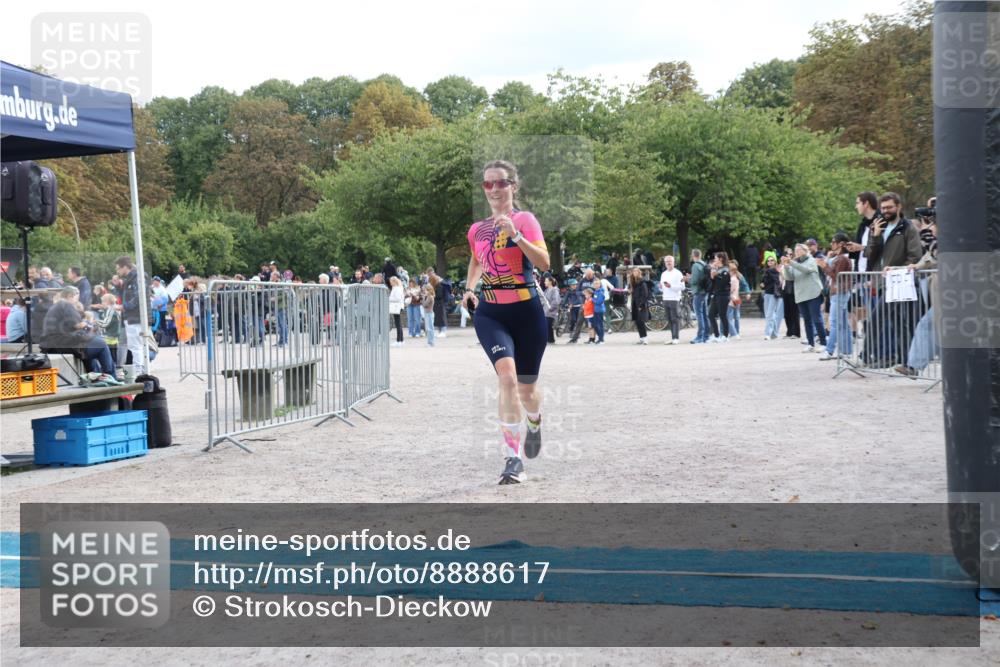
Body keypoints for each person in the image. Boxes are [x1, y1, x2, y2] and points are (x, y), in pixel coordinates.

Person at [463, 159, 549, 484]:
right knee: (508, 379)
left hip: (527, 314)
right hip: (491, 313)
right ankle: (513, 460)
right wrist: (470, 288)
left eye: (501, 183)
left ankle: (535, 420)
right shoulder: (477, 229)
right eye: (488, 184)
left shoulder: (525, 220)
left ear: (513, 186)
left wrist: (516, 237)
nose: (494, 190)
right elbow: (475, 259)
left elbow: (543, 261)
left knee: (527, 389)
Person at [41, 286, 116, 374]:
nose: (77, 300)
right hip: (64, 344)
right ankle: (110, 375)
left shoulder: (56, 306)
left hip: (54, 345)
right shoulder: (66, 305)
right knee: (101, 344)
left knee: (93, 346)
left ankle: (95, 376)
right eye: (77, 297)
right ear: (70, 295)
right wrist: (89, 323)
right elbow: (78, 325)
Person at [818, 233, 854, 360]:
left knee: (834, 323)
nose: (831, 244)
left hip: (840, 293)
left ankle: (829, 350)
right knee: (843, 323)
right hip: (839, 293)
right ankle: (847, 351)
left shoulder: (842, 259)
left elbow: (836, 276)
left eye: (833, 242)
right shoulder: (840, 257)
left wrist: (825, 266)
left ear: (841, 244)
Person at [785, 243, 826, 353]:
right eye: (795, 250)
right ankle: (811, 344)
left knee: (817, 319)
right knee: (807, 320)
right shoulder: (795, 263)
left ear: (805, 250)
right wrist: (786, 266)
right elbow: (789, 277)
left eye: (799, 250)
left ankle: (823, 343)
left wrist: (791, 263)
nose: (796, 252)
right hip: (801, 295)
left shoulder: (811, 260)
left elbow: (806, 270)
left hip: (813, 293)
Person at [114, 256, 149, 375]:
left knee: (136, 345)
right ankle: (138, 369)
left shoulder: (137, 277)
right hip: (130, 316)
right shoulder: (129, 278)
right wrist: (118, 286)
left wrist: (124, 306)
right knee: (133, 345)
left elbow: (138, 296)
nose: (117, 272)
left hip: (136, 316)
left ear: (124, 267)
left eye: (118, 269)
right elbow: (124, 296)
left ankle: (139, 370)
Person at [658, 255, 684, 344]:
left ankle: (676, 338)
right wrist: (661, 287)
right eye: (666, 262)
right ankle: (673, 337)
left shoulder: (678, 273)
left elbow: (682, 287)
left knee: (675, 318)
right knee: (669, 319)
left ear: (674, 262)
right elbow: (662, 288)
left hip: (674, 298)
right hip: (665, 298)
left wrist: (671, 286)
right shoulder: (663, 274)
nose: (668, 263)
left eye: (670, 261)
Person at [687, 249, 711, 344]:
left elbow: (694, 281)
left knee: (699, 315)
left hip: (698, 292)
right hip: (705, 292)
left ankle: (699, 337)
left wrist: (688, 279)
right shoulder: (704, 264)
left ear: (693, 255)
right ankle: (706, 336)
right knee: (705, 314)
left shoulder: (695, 265)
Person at [707, 253, 731, 342]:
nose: (714, 260)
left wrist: (715, 276)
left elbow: (723, 283)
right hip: (716, 295)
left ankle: (725, 336)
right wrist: (712, 277)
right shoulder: (717, 269)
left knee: (722, 315)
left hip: (723, 295)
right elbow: (714, 284)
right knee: (711, 315)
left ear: (721, 259)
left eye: (716, 258)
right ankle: (716, 335)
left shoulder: (726, 270)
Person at [761, 256, 784, 340]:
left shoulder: (776, 270)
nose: (770, 262)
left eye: (772, 260)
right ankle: (774, 333)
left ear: (775, 261)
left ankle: (767, 333)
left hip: (774, 294)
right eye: (768, 261)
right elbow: (763, 282)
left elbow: (779, 282)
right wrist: (762, 285)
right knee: (770, 314)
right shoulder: (765, 271)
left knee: (769, 314)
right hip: (767, 293)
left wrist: (780, 272)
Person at [780, 255, 801, 338]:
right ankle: (789, 332)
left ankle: (796, 332)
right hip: (785, 289)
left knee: (794, 312)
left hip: (792, 290)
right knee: (787, 313)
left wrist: (786, 267)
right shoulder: (782, 266)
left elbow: (791, 277)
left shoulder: (793, 265)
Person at [629, 267, 651, 345]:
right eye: (633, 271)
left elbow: (645, 295)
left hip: (641, 304)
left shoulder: (642, 282)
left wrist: (641, 304)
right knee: (637, 322)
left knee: (641, 322)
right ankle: (641, 338)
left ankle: (645, 338)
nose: (634, 273)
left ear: (639, 272)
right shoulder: (633, 282)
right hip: (635, 304)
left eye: (636, 271)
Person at [727, 259, 748, 340]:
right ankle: (735, 332)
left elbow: (745, 284)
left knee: (735, 316)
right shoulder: (732, 275)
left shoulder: (738, 275)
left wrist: (747, 292)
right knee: (735, 316)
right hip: (736, 297)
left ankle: (736, 332)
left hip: (734, 297)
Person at [541, 275, 560, 344]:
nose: (544, 282)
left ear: (550, 282)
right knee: (546, 325)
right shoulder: (546, 290)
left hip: (551, 311)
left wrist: (551, 308)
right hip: (545, 311)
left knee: (548, 325)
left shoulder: (554, 290)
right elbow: (543, 299)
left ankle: (551, 339)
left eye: (546, 281)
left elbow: (556, 300)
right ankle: (549, 339)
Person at [388, 276, 405, 347]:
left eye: (391, 282)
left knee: (398, 324)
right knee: (398, 324)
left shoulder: (397, 288)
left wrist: (388, 298)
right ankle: (400, 340)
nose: (390, 283)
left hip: (397, 307)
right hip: (397, 307)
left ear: (394, 282)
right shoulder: (397, 288)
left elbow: (397, 298)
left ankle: (399, 340)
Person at [591, 277, 606, 344]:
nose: (596, 285)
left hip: (599, 310)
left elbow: (599, 302)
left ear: (600, 284)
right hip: (595, 310)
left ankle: (601, 339)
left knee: (600, 325)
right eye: (594, 284)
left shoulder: (600, 292)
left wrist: (592, 300)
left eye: (597, 284)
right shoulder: (595, 292)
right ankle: (600, 338)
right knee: (595, 325)